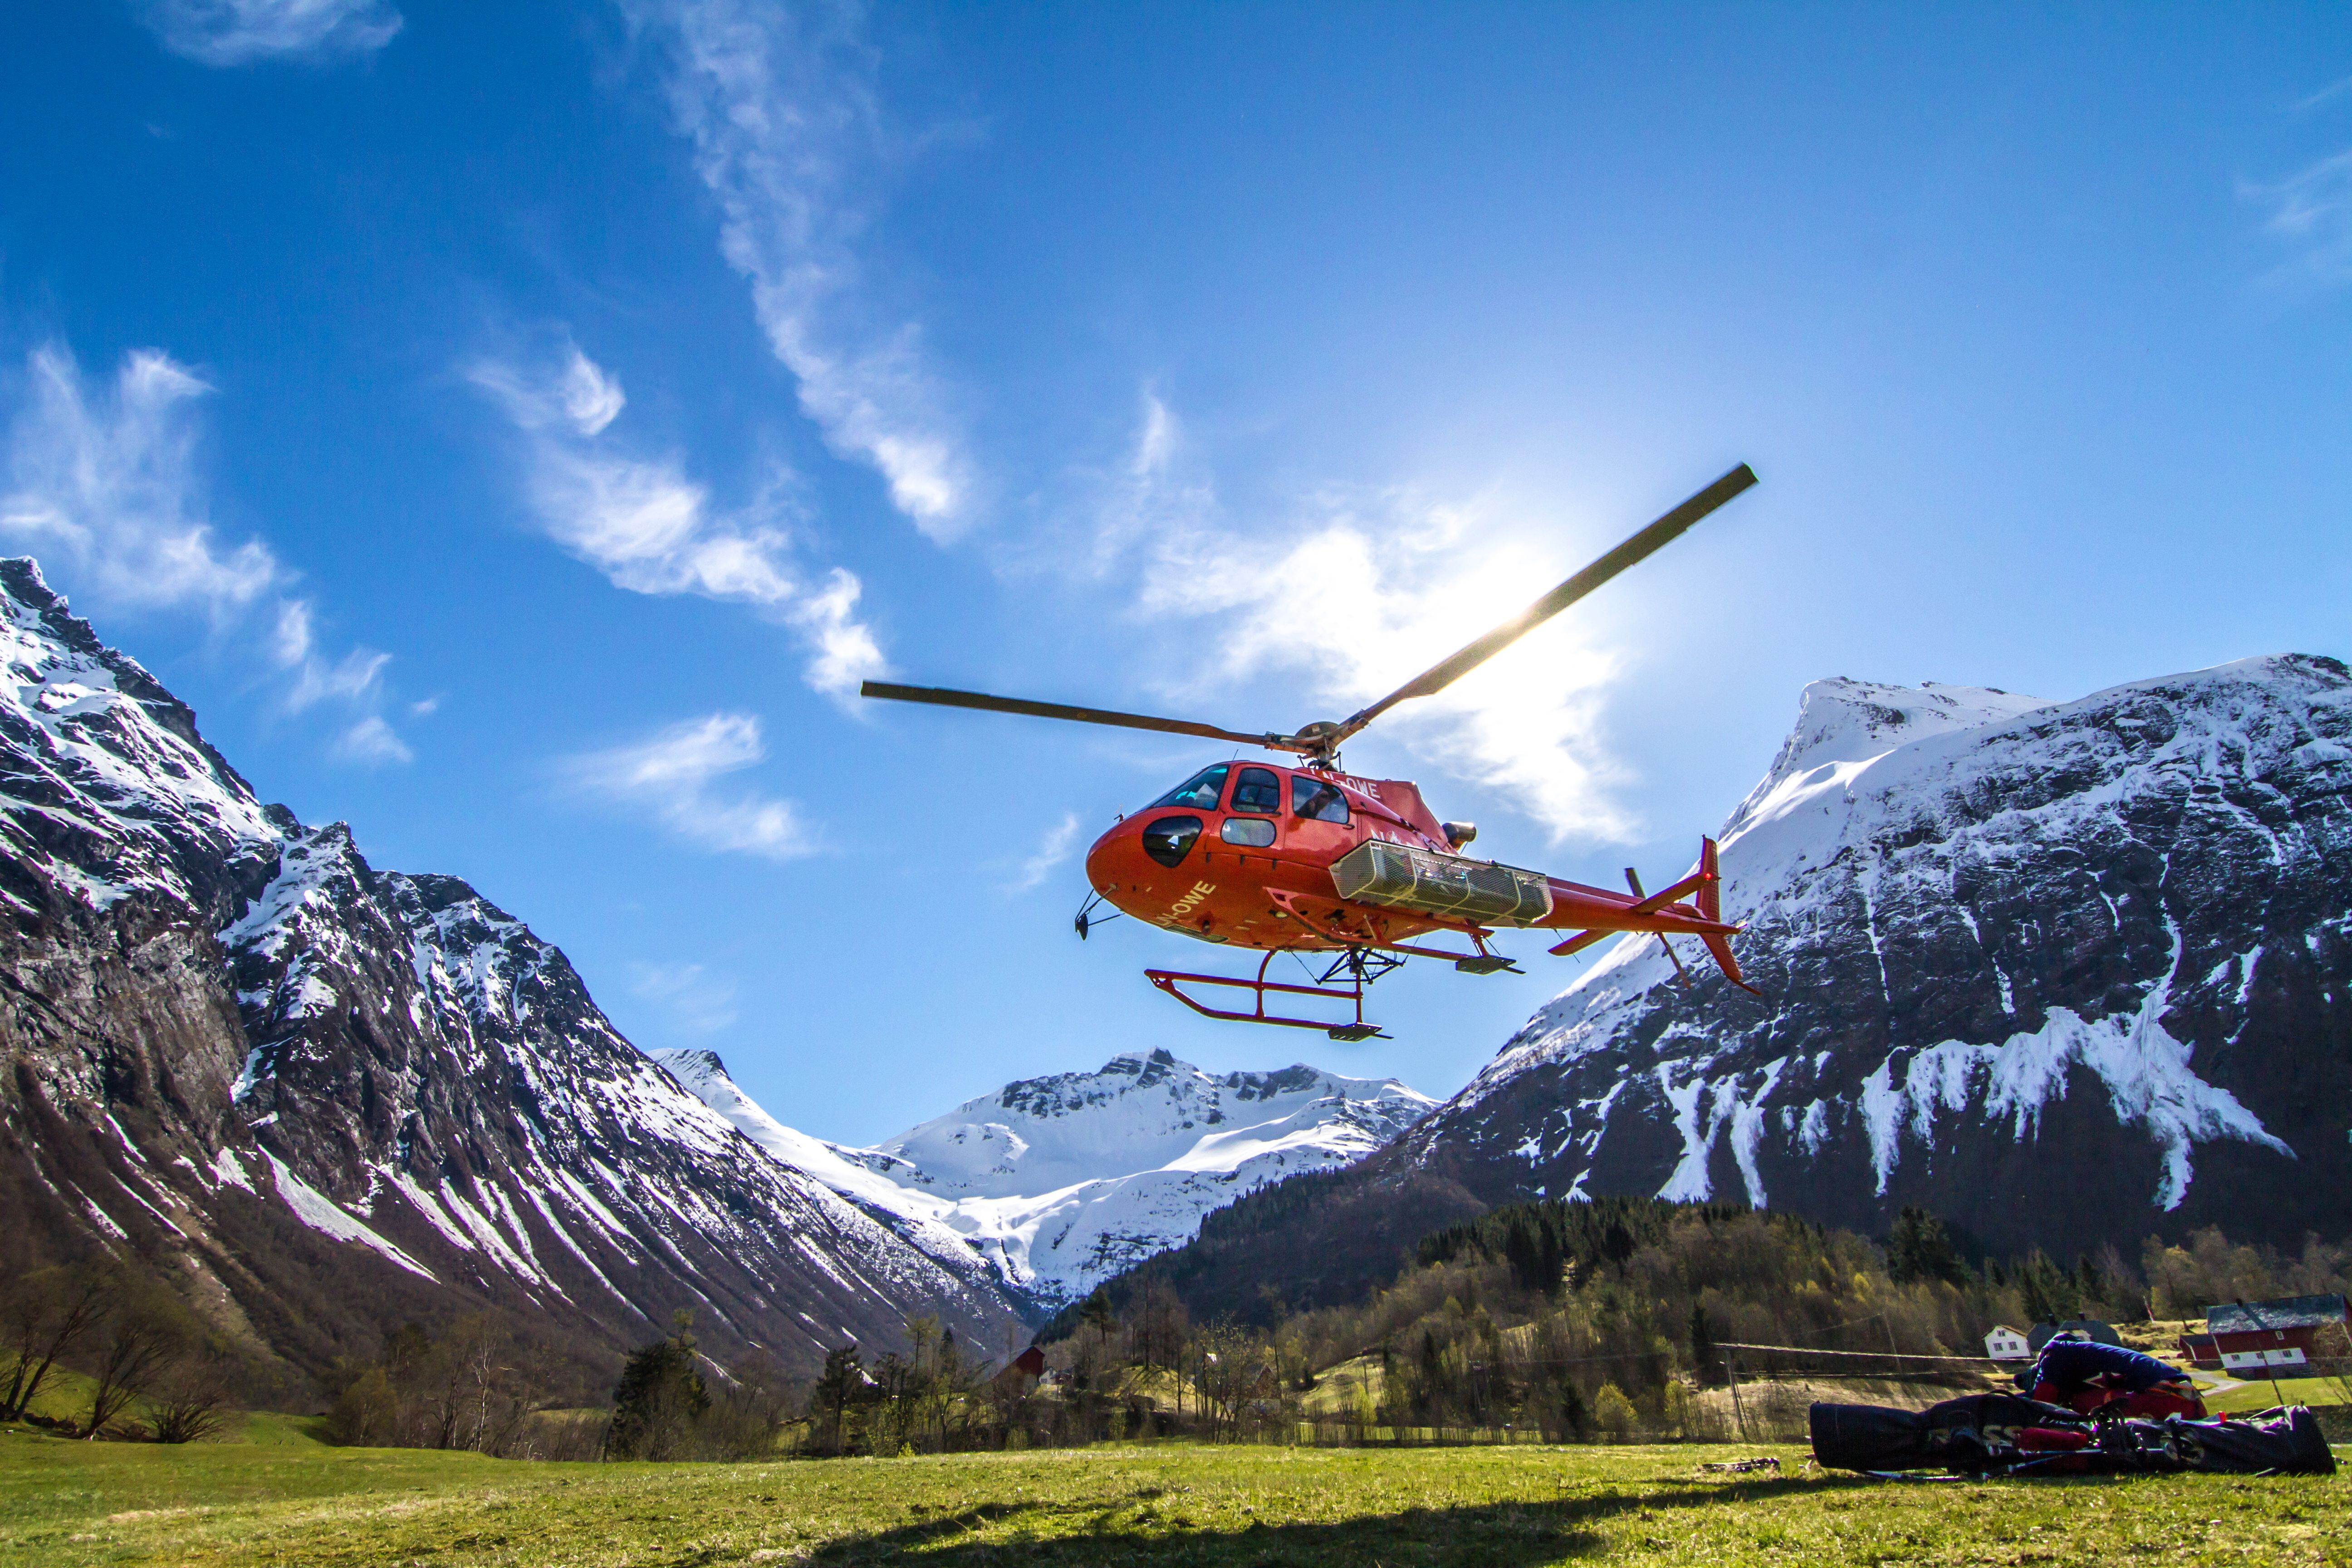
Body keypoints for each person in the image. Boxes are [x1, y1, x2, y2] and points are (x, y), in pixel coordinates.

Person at [2016, 1332, 2205, 1418]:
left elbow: (2042, 1403)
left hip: (2162, 1395)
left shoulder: (2054, 1354)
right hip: (2188, 1398)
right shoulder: (2085, 1355)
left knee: (2079, 1404)